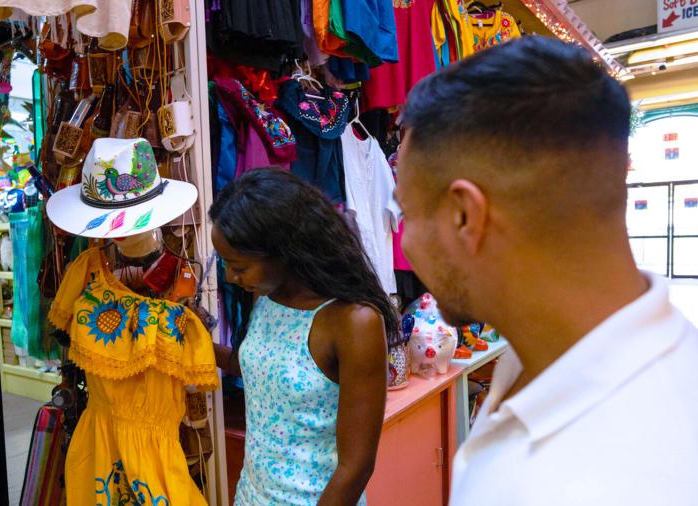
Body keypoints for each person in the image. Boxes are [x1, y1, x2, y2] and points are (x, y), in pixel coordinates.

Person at [394, 36, 698, 505]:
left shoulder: (615, 482)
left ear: (464, 218)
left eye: (407, 214)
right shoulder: (539, 355)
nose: (405, 241)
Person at [210, 168, 395, 505]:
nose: (231, 276)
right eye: (225, 263)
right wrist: (198, 344)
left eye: (238, 265)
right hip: (251, 495)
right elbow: (262, 370)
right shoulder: (265, 294)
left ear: (285, 250)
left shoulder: (353, 322)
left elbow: (356, 467)